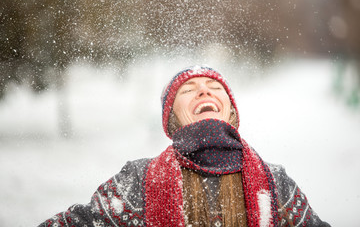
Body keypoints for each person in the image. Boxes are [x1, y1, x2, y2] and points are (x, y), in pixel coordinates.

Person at [39, 66, 330, 226]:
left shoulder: (276, 184)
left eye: (215, 87)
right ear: (172, 118)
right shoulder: (138, 180)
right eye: (188, 90)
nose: (204, 89)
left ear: (231, 112)